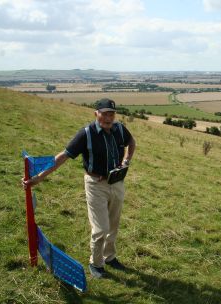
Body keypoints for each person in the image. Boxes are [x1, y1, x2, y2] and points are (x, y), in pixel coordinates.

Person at [23, 98, 136, 278]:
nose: (108, 118)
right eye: (104, 113)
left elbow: (131, 142)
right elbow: (63, 157)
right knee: (101, 228)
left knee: (113, 224)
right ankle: (96, 264)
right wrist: (38, 178)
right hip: (96, 184)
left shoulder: (120, 129)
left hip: (117, 182)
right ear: (96, 114)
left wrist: (126, 161)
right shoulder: (86, 134)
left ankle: (109, 257)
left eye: (112, 113)